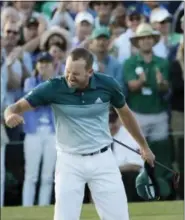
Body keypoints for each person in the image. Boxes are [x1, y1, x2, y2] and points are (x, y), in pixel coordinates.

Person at [4, 48, 155, 220]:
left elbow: (126, 114)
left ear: (90, 72)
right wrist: (10, 115)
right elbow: (15, 107)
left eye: (75, 73)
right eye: (67, 71)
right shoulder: (54, 87)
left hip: (103, 160)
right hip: (69, 162)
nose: (69, 77)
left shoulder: (107, 85)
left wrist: (144, 147)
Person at [123, 23, 172, 179]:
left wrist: (161, 83)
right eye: (143, 38)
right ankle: (142, 187)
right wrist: (141, 81)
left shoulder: (163, 62)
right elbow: (131, 87)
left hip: (159, 113)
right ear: (138, 42)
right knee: (138, 152)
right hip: (138, 114)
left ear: (153, 40)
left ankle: (161, 187)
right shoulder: (130, 62)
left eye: (149, 37)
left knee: (160, 152)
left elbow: (166, 88)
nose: (146, 40)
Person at [22, 52, 56, 207]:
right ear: (36, 65)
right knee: (31, 175)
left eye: (46, 63)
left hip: (52, 132)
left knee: (48, 176)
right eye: (41, 62)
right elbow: (33, 99)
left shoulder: (57, 82)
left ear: (52, 66)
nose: (43, 65)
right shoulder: (29, 82)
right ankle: (27, 209)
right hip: (33, 131)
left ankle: (43, 209)